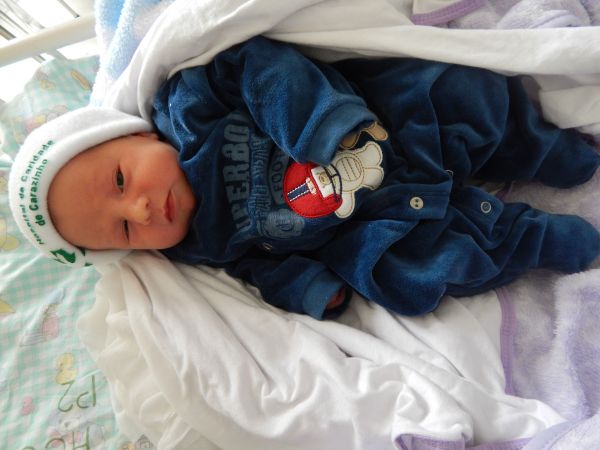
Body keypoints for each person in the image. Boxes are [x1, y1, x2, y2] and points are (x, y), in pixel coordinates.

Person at [9, 36, 600, 319]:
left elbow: (255, 66)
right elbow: (257, 268)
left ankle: (536, 148)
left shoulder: (188, 110)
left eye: (119, 181)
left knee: (460, 94)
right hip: (372, 223)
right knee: (409, 278)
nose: (139, 210)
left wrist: (317, 127)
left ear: (133, 135)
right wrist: (309, 290)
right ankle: (530, 239)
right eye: (122, 231)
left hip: (385, 124)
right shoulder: (199, 244)